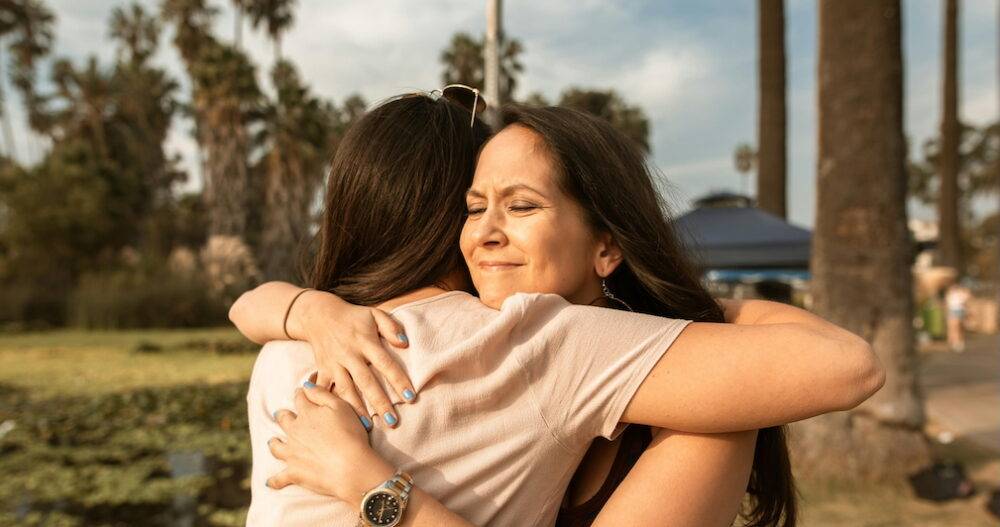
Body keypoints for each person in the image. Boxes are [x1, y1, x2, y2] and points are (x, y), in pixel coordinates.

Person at [230, 99, 884, 526]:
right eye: (472, 205)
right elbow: (250, 305)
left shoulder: (557, 347)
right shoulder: (497, 342)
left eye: (520, 206)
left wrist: (372, 484)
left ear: (606, 245)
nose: (483, 232)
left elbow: (849, 366)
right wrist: (313, 310)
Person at [945, 282, 970, 352]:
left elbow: (966, 300)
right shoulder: (951, 294)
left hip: (957, 310)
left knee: (956, 327)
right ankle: (955, 342)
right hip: (955, 310)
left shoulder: (958, 293)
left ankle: (957, 342)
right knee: (954, 327)